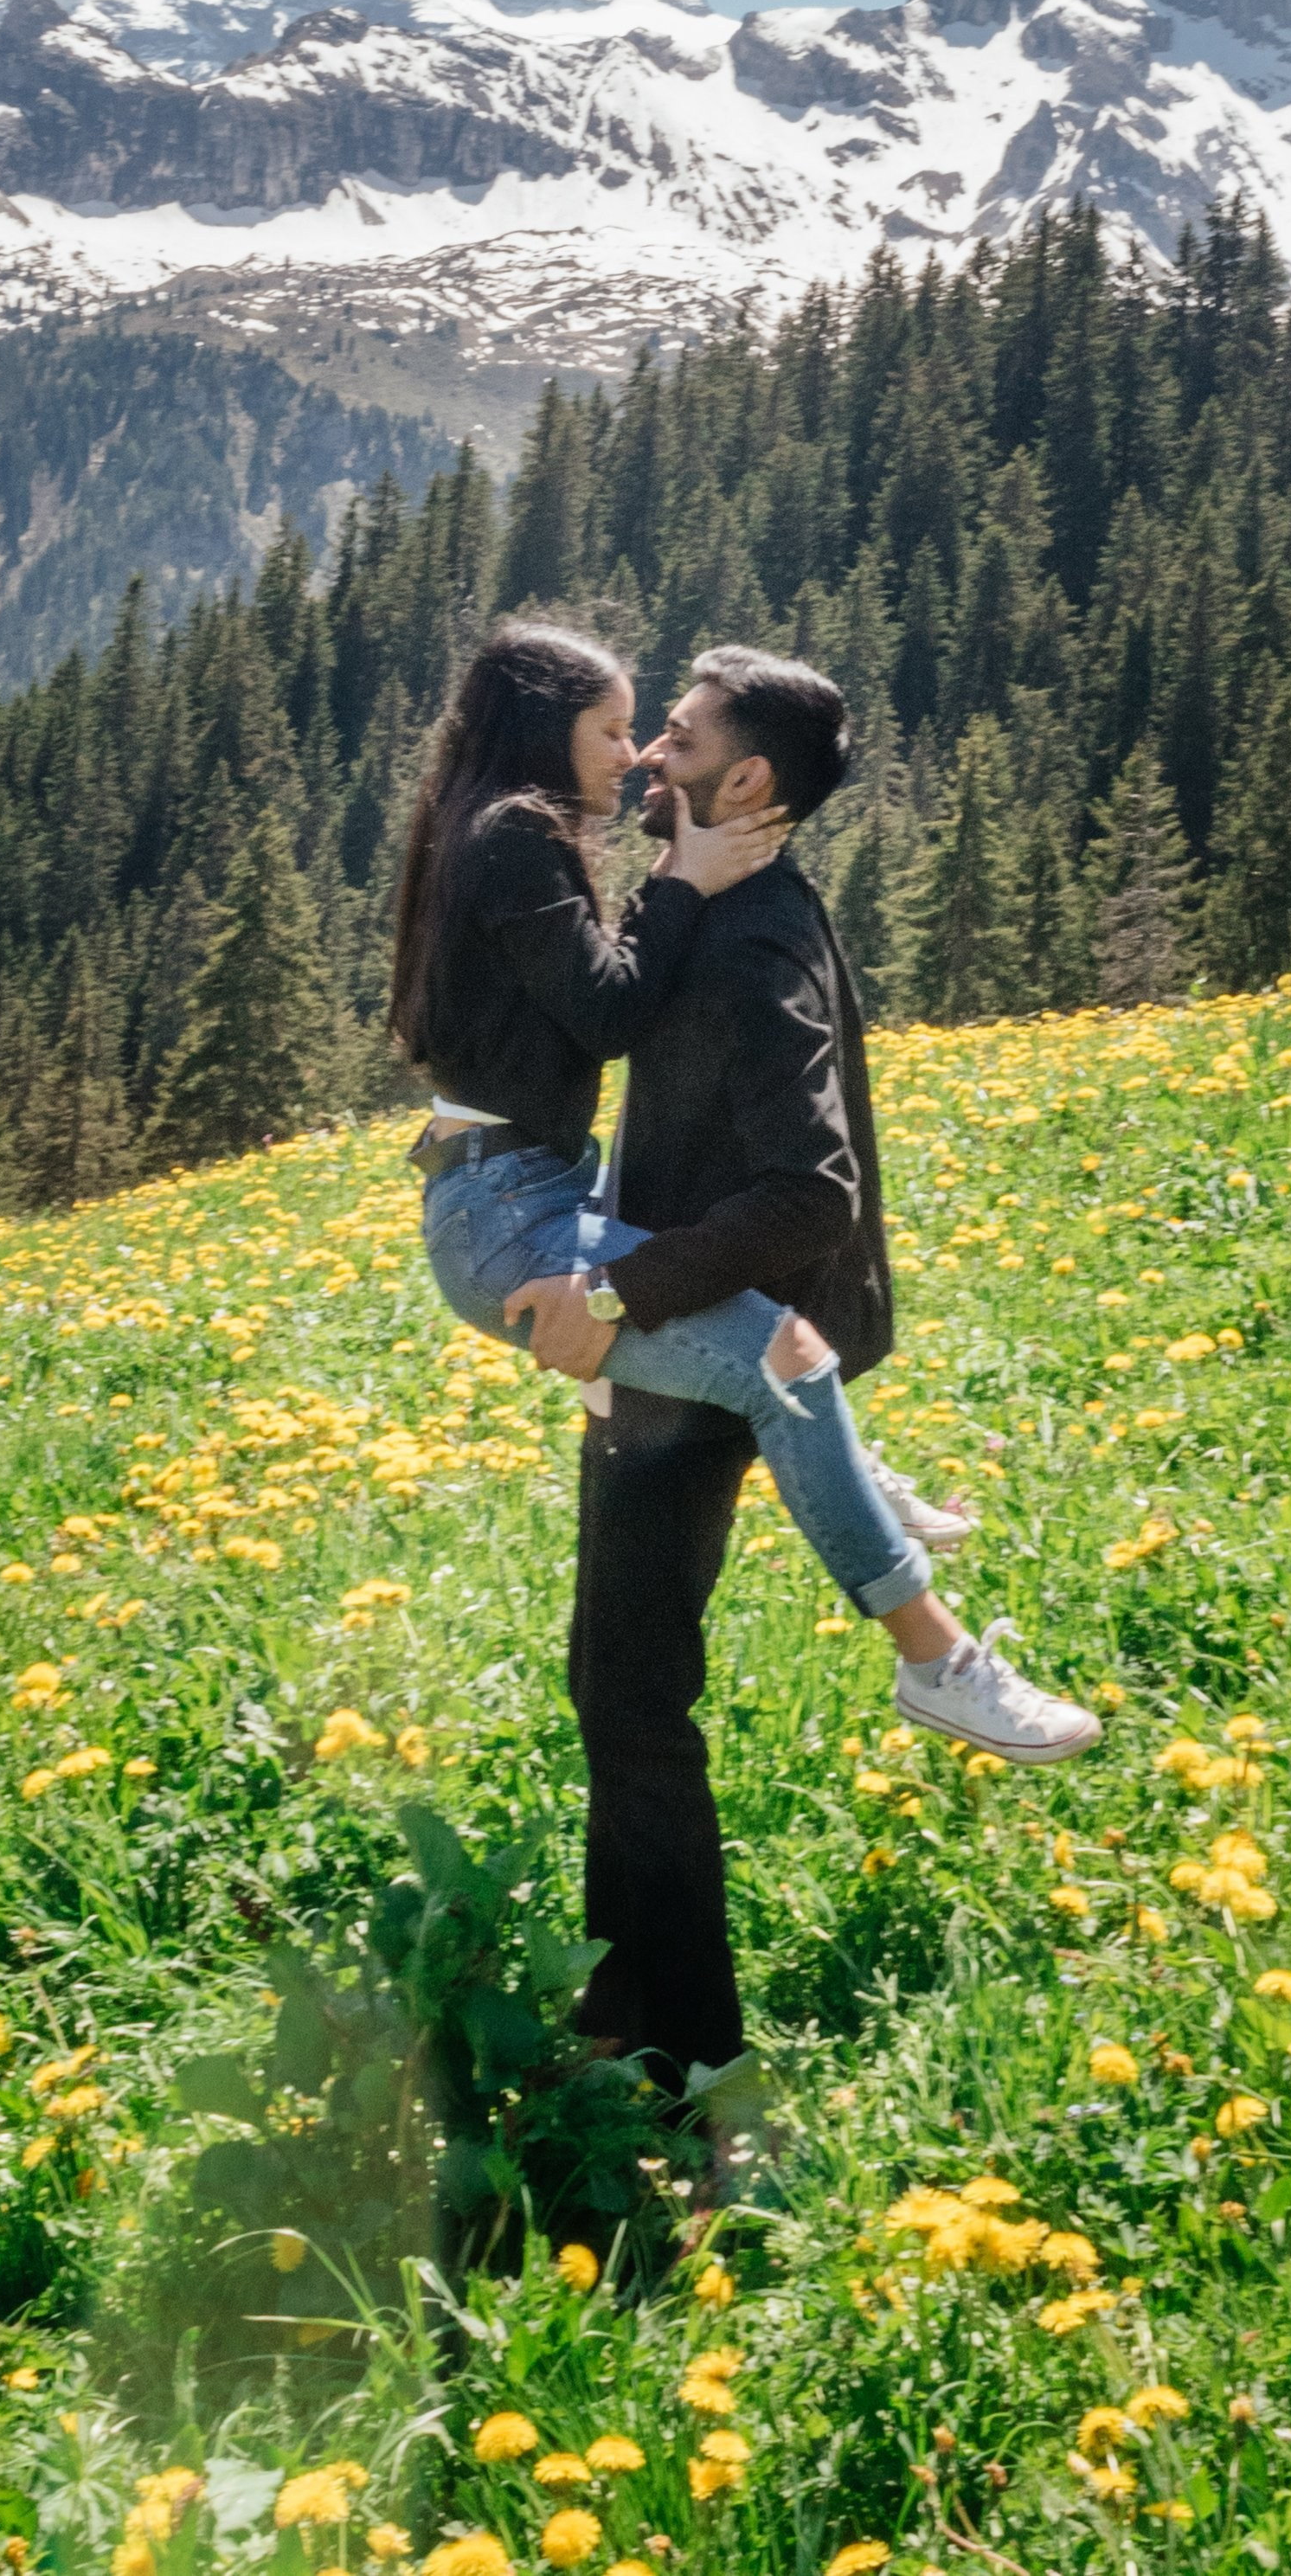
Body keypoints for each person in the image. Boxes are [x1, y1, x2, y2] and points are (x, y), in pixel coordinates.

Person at [535, 646, 1105, 2086]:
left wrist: (614, 1289)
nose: (651, 751)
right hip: (693, 1337)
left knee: (631, 1689)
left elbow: (809, 1191)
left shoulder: (755, 945)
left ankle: (676, 2055)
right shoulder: (725, 910)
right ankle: (633, 2016)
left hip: (695, 1348)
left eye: (680, 734)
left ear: (750, 783)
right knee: (617, 1679)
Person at [389, 620, 997, 1649]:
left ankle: (851, 1477)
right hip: (503, 1207)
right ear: (548, 730)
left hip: (524, 1186)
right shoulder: (509, 836)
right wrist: (685, 879)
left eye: (652, 730)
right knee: (784, 1362)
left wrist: (684, 880)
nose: (633, 757)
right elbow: (611, 1011)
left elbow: (591, 985)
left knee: (770, 1345)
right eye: (617, 728)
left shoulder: (499, 827)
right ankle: (934, 1653)